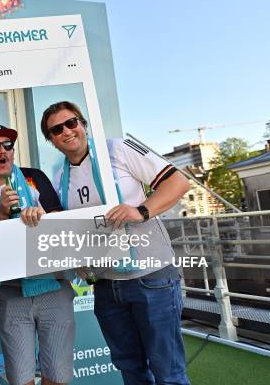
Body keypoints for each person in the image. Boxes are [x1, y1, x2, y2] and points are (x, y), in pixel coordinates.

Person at [41, 101, 191, 385]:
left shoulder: (117, 149)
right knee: (131, 371)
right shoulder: (60, 178)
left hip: (150, 276)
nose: (67, 131)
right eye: (57, 129)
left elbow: (178, 182)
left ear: (83, 124)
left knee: (168, 373)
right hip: (106, 285)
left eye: (71, 122)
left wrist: (140, 211)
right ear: (51, 140)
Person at [0, 124, 75, 385]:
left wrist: (41, 216)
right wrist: (1, 214)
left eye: (8, 146)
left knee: (57, 376)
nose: (3, 151)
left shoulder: (34, 176)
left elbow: (59, 219)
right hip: (13, 291)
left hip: (53, 285)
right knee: (20, 379)